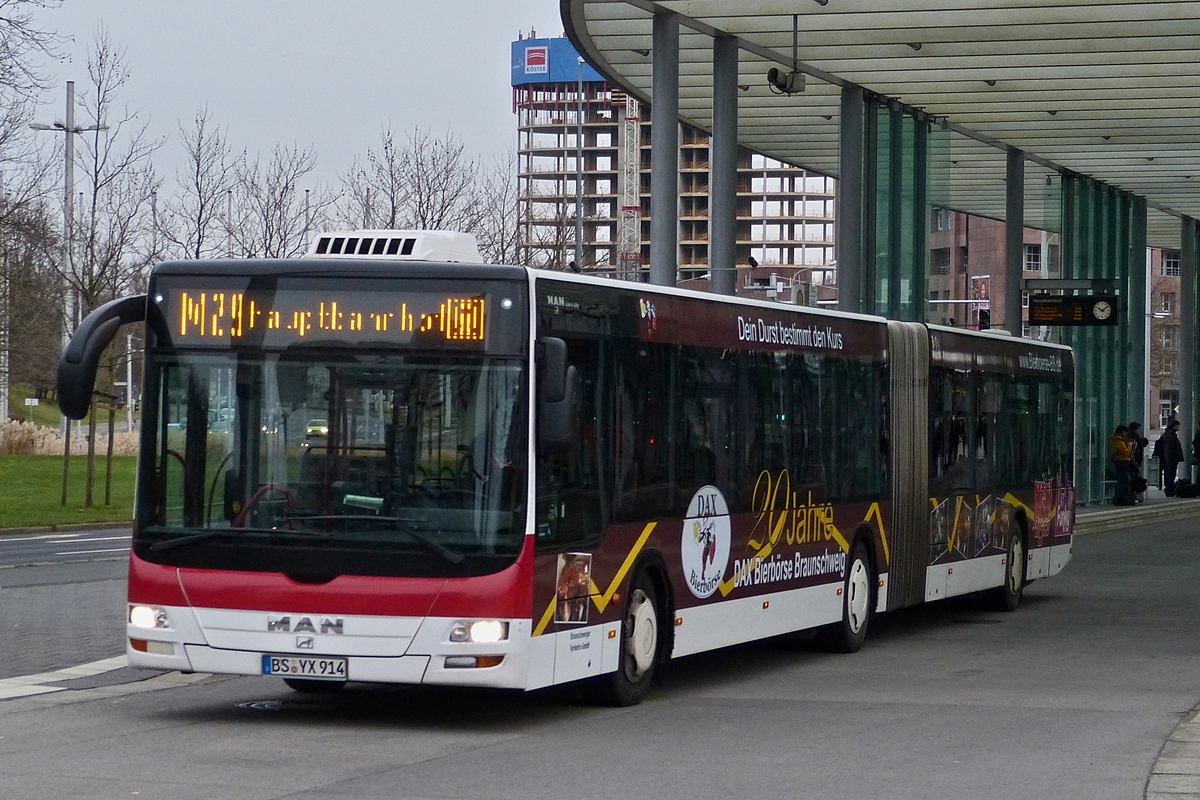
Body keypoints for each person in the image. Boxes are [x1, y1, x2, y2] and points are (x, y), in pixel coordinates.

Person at [1109, 424, 1135, 506]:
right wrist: (1130, 446)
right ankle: (1120, 497)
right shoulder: (1118, 441)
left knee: (1123, 479)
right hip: (1122, 461)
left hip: (1123, 461)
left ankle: (1121, 496)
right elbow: (1126, 452)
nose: (1126, 434)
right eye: (1125, 432)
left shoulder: (1120, 440)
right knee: (1123, 479)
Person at [1161, 418, 1186, 497]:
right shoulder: (1171, 436)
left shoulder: (1168, 434)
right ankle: (1169, 491)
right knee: (1171, 474)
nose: (1178, 428)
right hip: (1172, 459)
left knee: (1170, 474)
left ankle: (1169, 490)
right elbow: (1171, 449)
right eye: (1177, 426)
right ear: (1173, 426)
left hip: (1170, 458)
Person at [1128, 422, 1149, 501]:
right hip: (1133, 462)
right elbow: (1133, 452)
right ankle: (1131, 496)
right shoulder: (1133, 438)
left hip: (1134, 462)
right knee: (1132, 480)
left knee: (1134, 479)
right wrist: (1136, 464)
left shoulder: (1134, 437)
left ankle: (1133, 495)